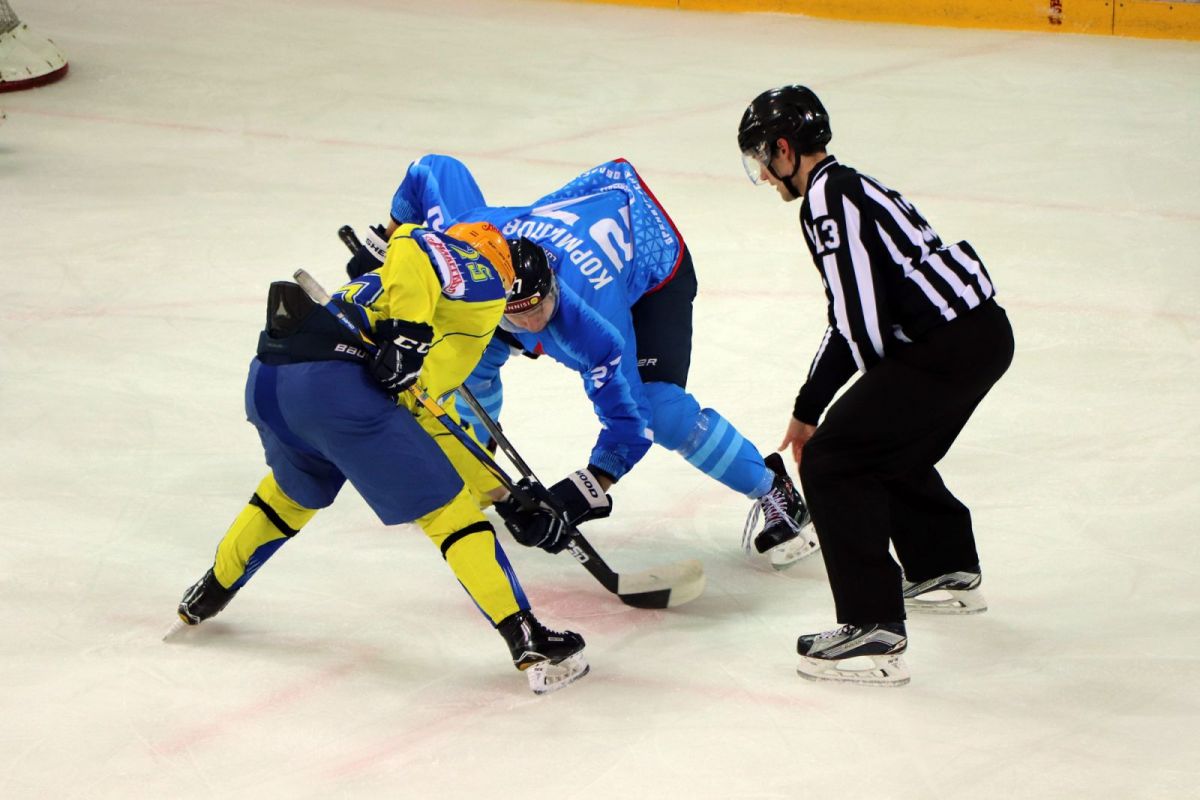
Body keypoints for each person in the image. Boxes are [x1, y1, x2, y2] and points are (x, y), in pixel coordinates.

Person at [172, 221, 589, 695]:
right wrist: (409, 335)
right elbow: (412, 239)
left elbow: (428, 414)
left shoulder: (392, 289)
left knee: (286, 499)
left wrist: (505, 496)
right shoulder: (486, 279)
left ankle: (207, 593)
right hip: (336, 390)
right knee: (450, 517)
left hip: (271, 381)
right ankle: (527, 638)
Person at [344, 154, 819, 569]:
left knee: (661, 410)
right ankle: (475, 470)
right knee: (468, 355)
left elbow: (630, 423)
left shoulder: (592, 324)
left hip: (650, 258)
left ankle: (772, 488)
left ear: (553, 287)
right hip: (571, 222)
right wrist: (387, 246)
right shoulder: (467, 246)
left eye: (536, 311)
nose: (529, 325)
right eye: (515, 315)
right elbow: (432, 169)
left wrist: (587, 486)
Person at [736, 85, 1014, 686]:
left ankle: (871, 630)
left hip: (947, 345)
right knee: (887, 445)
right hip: (982, 334)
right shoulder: (852, 184)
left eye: (762, 157)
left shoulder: (826, 200)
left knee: (836, 460)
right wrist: (812, 406)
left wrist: (825, 415)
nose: (763, 175)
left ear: (784, 148)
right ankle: (943, 569)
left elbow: (858, 321)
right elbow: (859, 313)